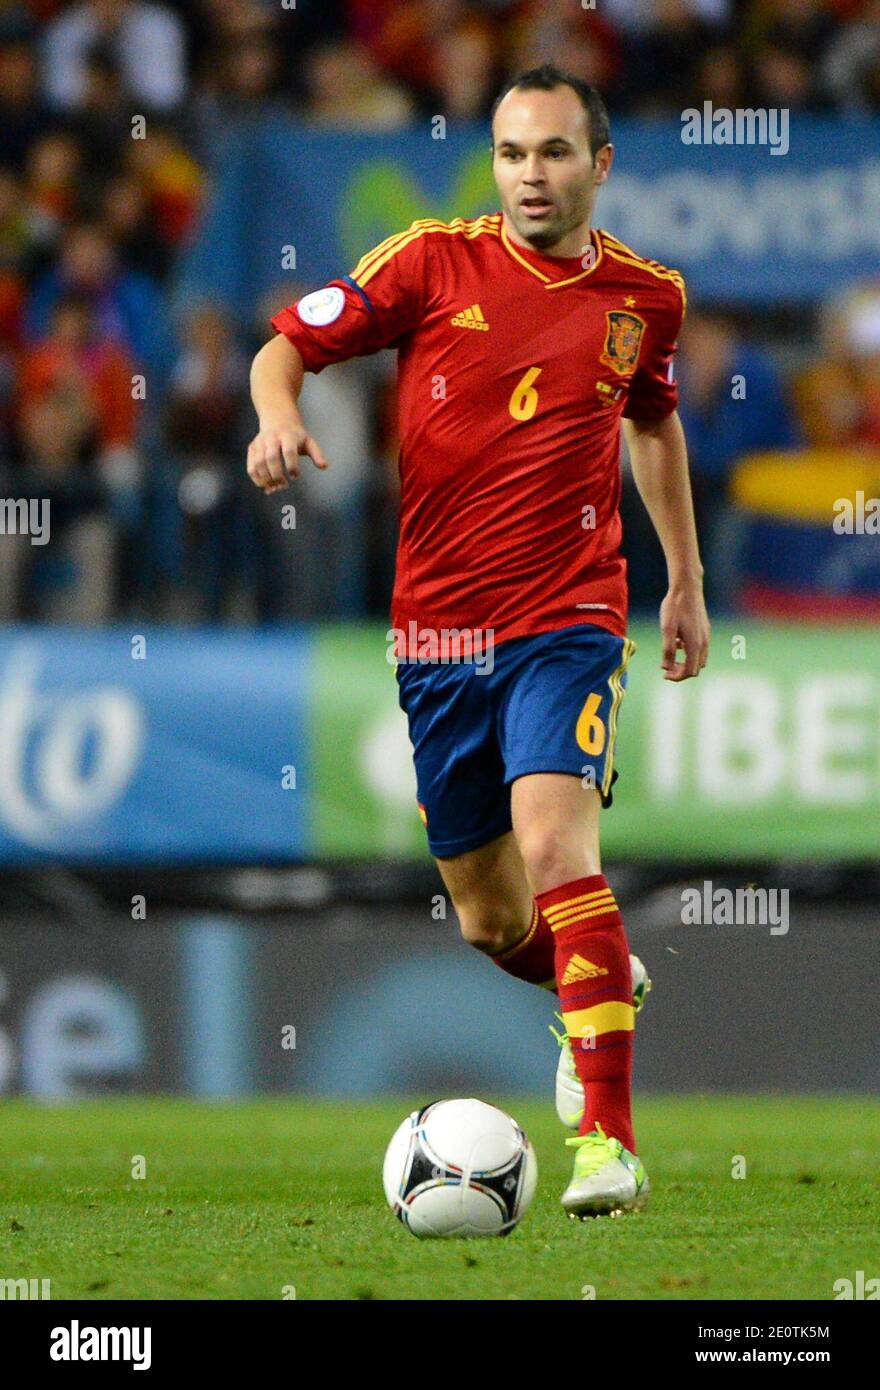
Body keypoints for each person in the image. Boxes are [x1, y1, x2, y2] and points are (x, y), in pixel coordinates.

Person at [246, 64, 710, 1220]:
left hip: (568, 617)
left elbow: (653, 424)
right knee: (490, 919)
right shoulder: (426, 262)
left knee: (561, 852)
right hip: (437, 634)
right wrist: (277, 412)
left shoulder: (646, 298)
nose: (529, 175)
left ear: (598, 164)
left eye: (553, 152)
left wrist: (684, 581)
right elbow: (284, 347)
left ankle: (608, 1145)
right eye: (510, 153)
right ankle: (600, 979)